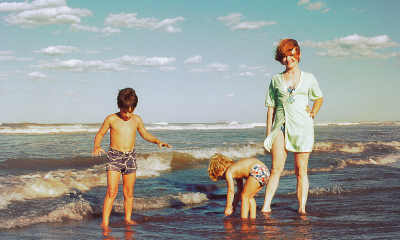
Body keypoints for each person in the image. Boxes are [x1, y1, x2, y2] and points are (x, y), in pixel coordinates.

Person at [92, 87, 171, 228]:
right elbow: (100, 134)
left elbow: (145, 134)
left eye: (130, 111)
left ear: (134, 108)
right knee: (112, 191)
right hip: (114, 157)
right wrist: (97, 146)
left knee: (128, 192)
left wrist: (158, 141)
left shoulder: (137, 120)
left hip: (130, 158)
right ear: (119, 106)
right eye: (124, 111)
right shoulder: (111, 119)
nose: (127, 114)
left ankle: (128, 218)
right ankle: (105, 221)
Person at [261, 39, 323, 214]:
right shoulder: (275, 80)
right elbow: (270, 108)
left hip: (303, 127)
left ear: (299, 54)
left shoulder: (309, 78)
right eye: (284, 56)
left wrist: (313, 112)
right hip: (280, 127)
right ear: (281, 59)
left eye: (291, 54)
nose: (288, 59)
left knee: (300, 170)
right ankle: (266, 207)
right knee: (275, 169)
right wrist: (268, 133)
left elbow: (318, 97)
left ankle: (302, 209)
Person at [207, 153, 270, 219]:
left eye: (220, 176)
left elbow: (231, 191)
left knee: (244, 196)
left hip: (257, 170)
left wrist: (228, 207)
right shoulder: (237, 169)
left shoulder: (229, 172)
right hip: (265, 171)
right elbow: (239, 190)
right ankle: (252, 219)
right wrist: (234, 206)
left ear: (222, 168)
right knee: (250, 196)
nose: (222, 178)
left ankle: (244, 220)